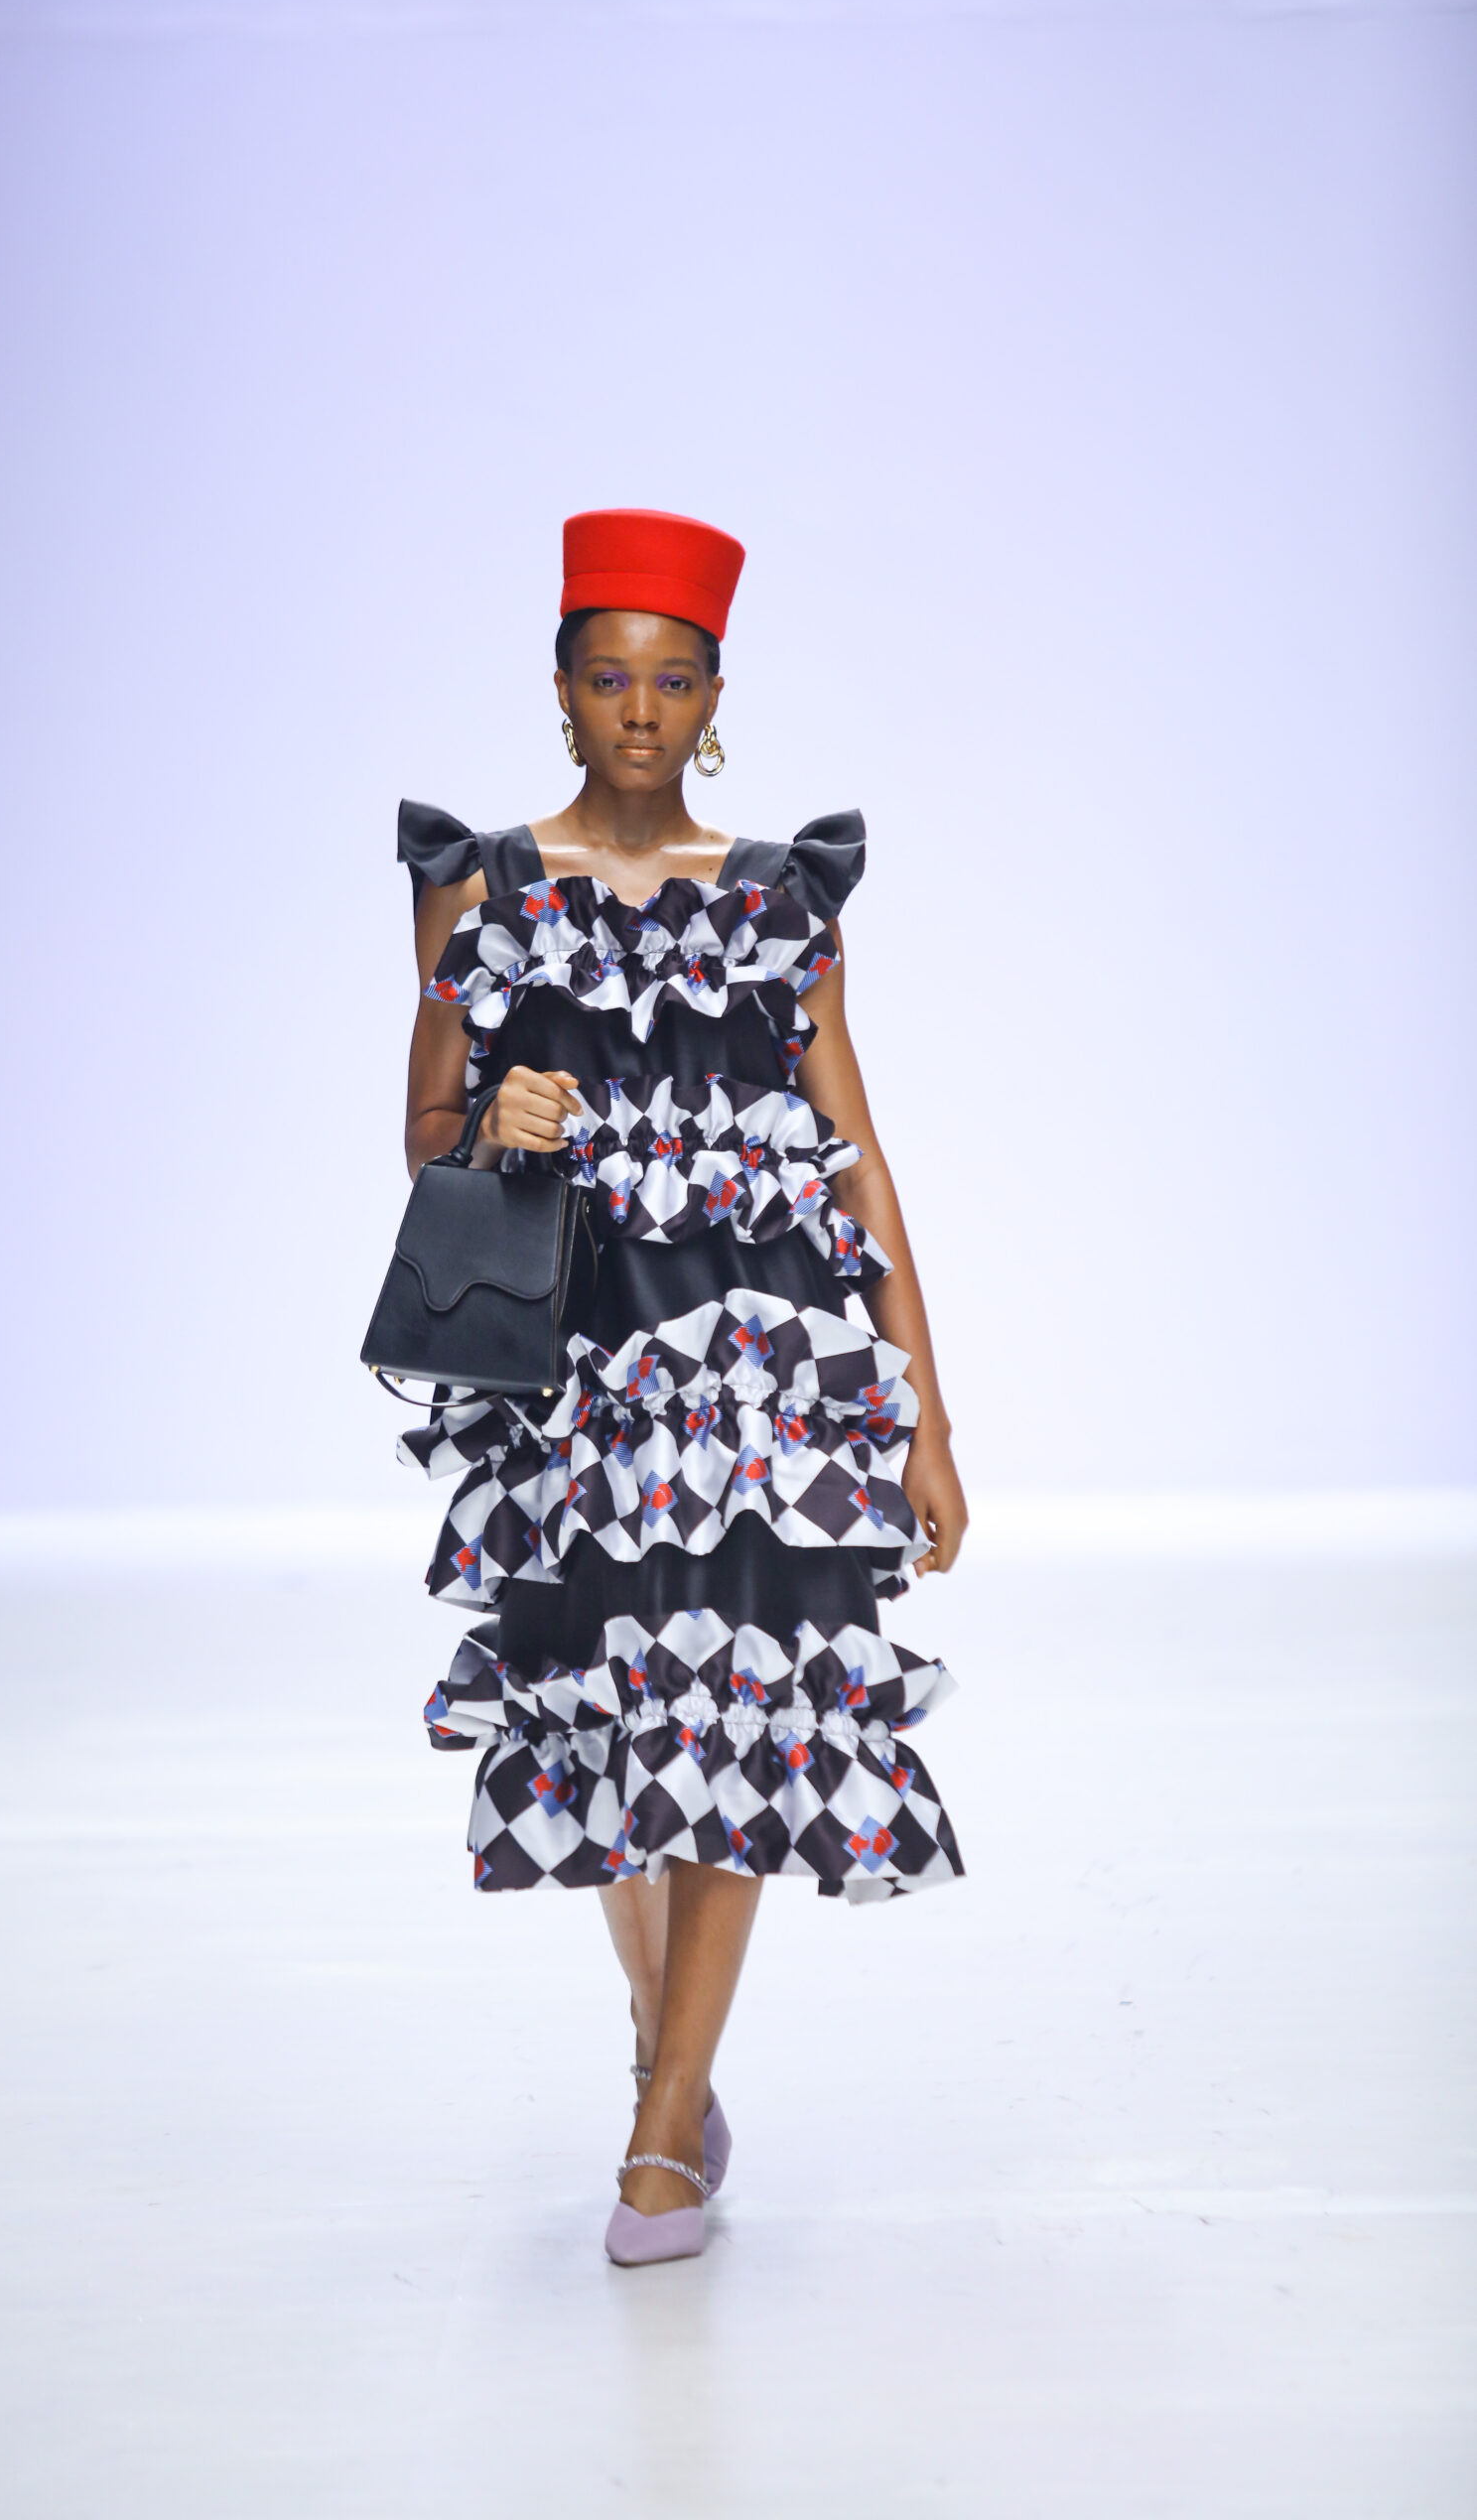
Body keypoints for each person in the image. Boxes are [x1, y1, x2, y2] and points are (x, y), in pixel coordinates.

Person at [396, 508, 967, 2265]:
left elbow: (856, 1150)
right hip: (574, 1370)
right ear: (562, 689)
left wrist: (927, 1410)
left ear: (715, 697)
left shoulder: (783, 900)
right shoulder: (485, 885)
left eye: (672, 679)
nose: (638, 710)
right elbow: (421, 1133)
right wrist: (491, 1118)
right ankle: (669, 2047)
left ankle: (663, 2133)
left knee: (740, 1713)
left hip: (764, 1371)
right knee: (615, 1721)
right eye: (607, 676)